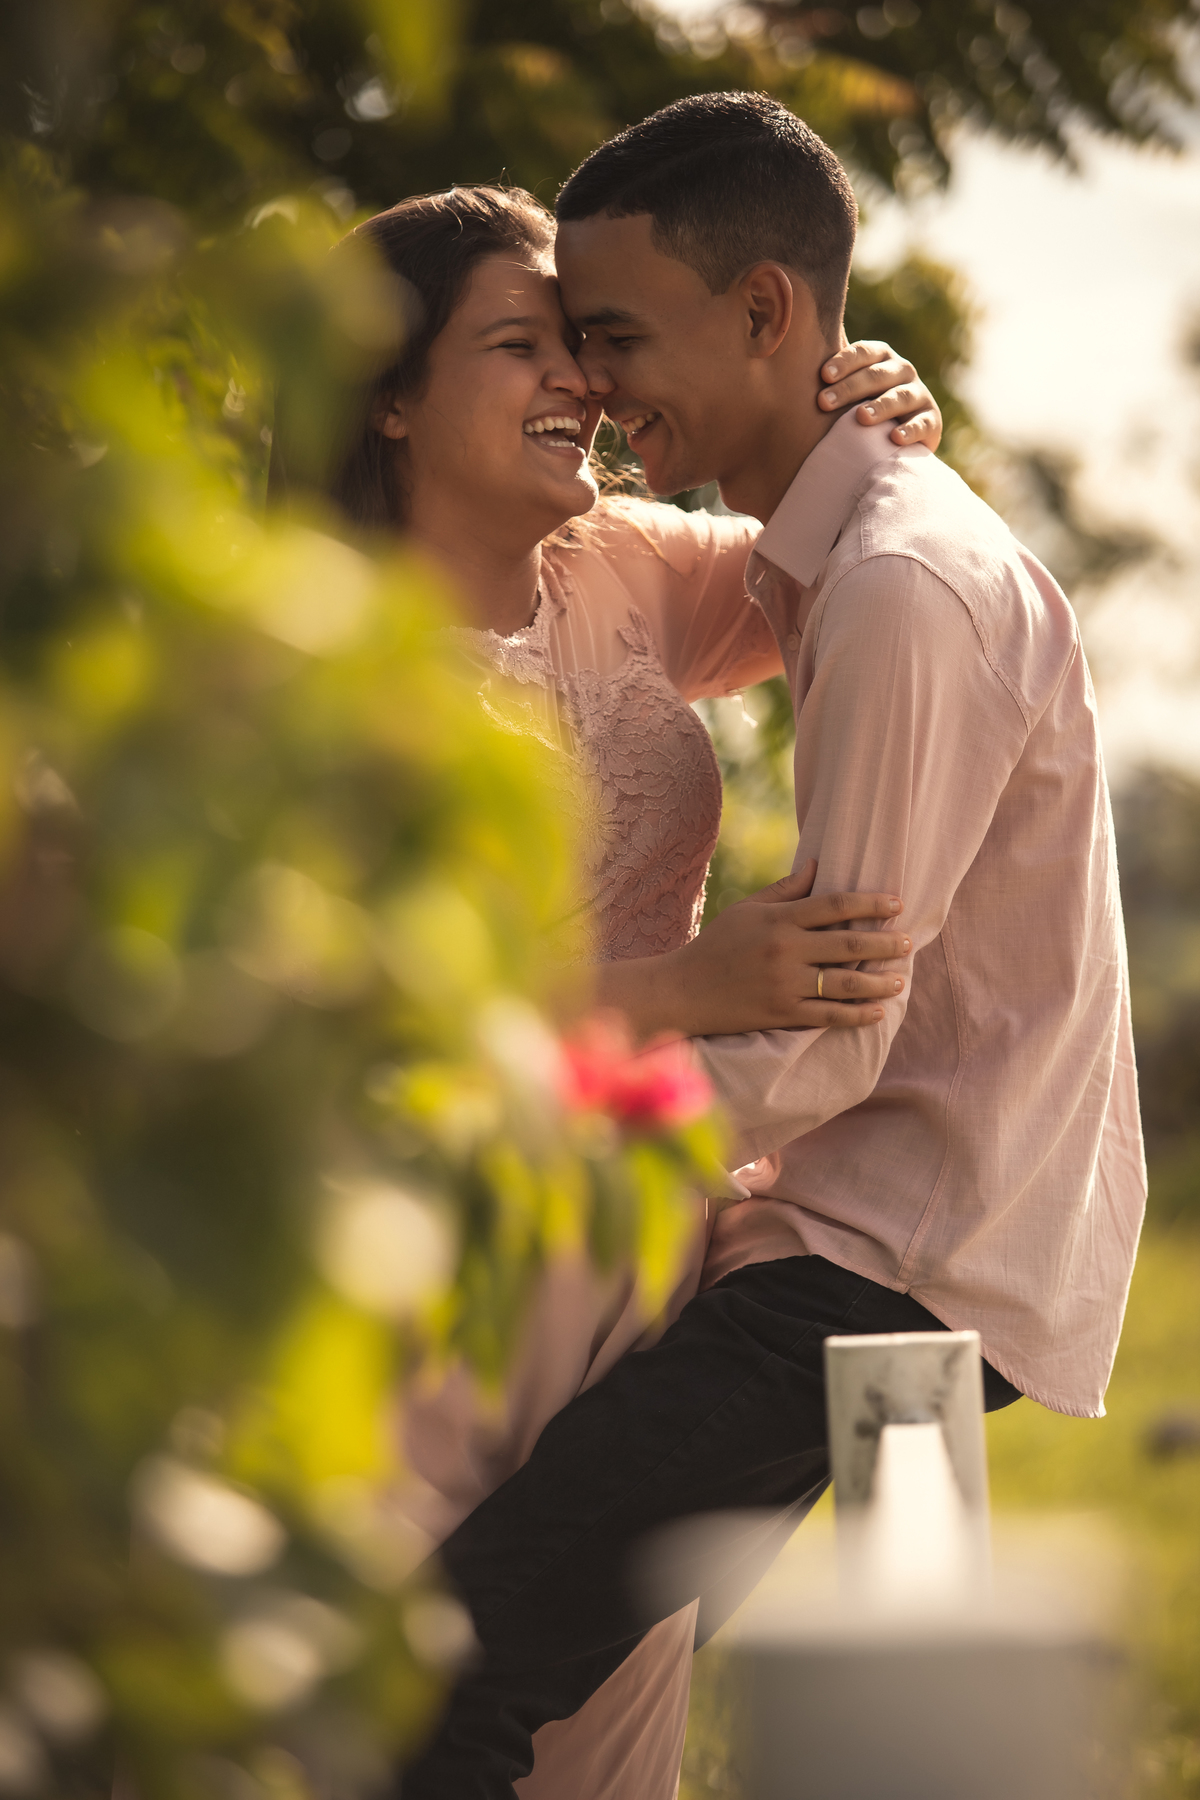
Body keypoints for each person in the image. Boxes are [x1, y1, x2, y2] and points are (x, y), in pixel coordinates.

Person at [400, 96, 1147, 1798]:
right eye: (557, 340)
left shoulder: (894, 581)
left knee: (462, 1678)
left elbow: (833, 1030)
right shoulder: (836, 556)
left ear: (763, 313)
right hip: (870, 1244)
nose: (591, 382)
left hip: (882, 1268)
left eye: (613, 334)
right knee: (917, 1739)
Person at [276, 185, 945, 1796]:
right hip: (408, 1270)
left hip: (650, 1261)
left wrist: (875, 399)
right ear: (388, 391)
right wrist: (679, 988)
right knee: (373, 1708)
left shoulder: (627, 567)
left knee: (589, 1732)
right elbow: (342, 1012)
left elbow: (851, 541)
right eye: (521, 345)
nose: (579, 380)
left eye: (582, 343)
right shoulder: (302, 651)